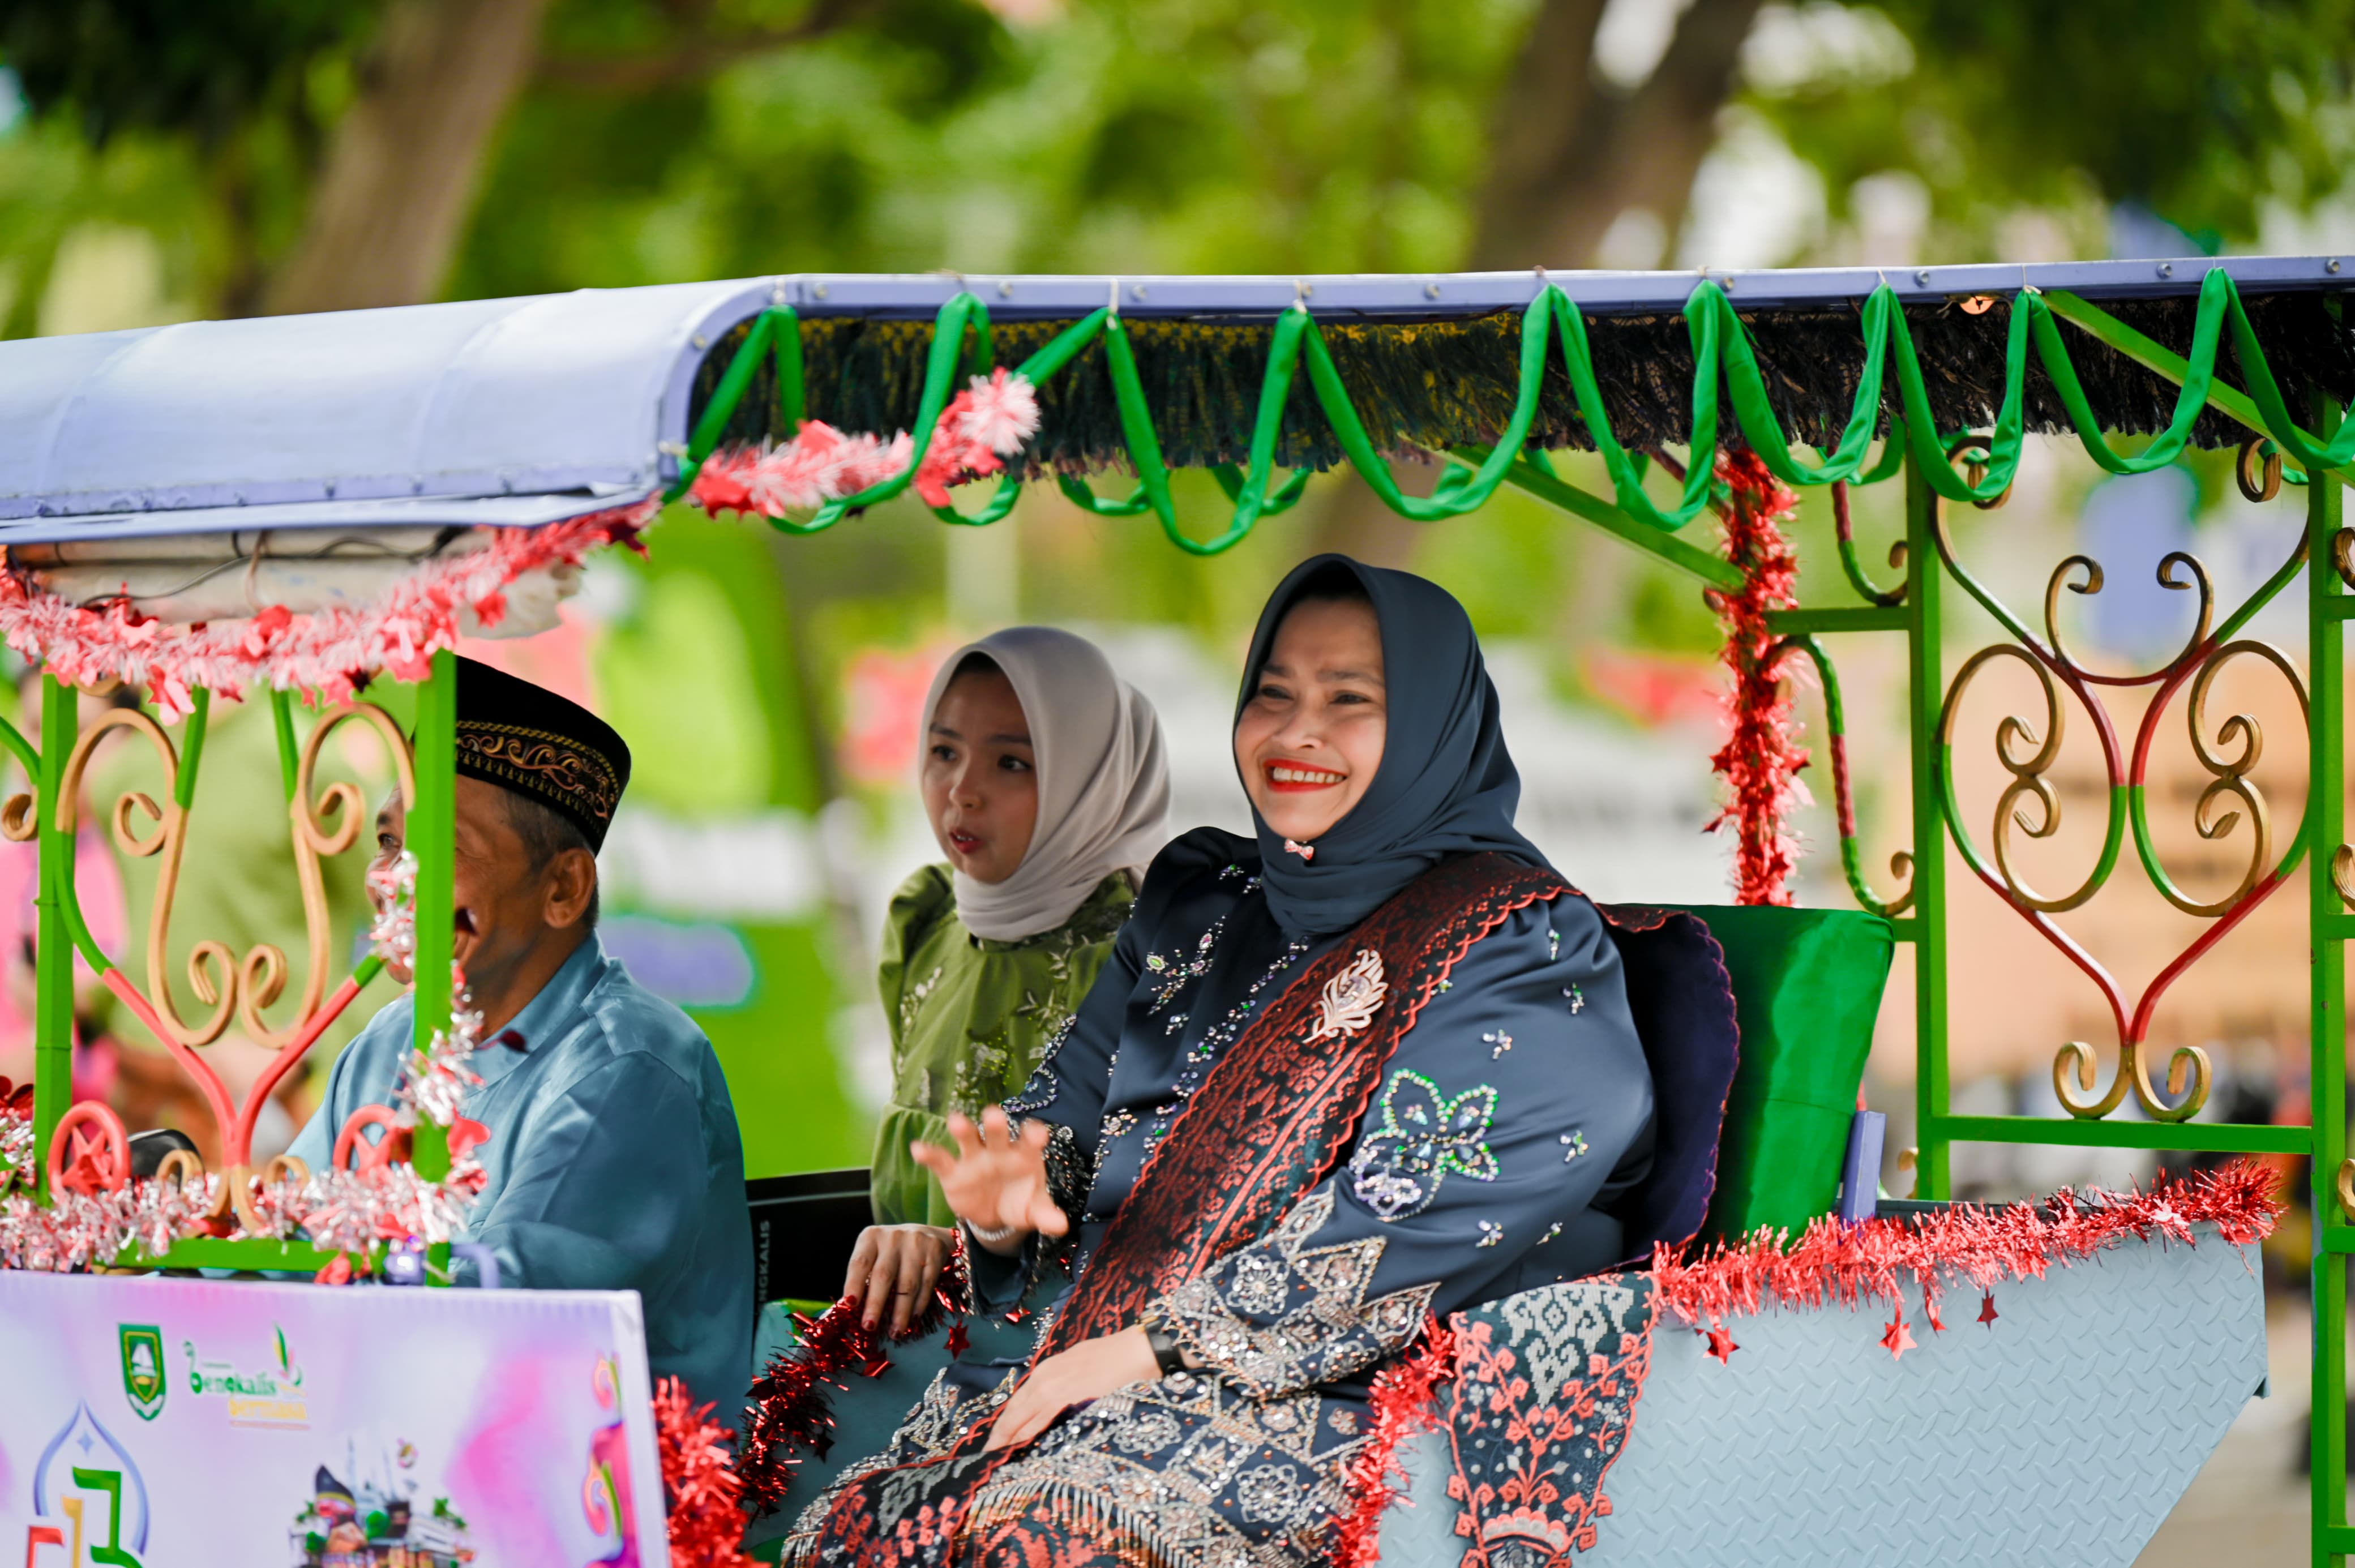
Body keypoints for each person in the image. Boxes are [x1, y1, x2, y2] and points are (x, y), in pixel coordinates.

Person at [782, 556, 1660, 1568]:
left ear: (1428, 724)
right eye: (1274, 694)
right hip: (1104, 1353)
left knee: (1054, 1535)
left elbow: (1415, 1215)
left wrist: (1143, 1353)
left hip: (1355, 1385)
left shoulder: (1517, 944)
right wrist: (1010, 1194)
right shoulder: (1204, 900)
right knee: (858, 1534)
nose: (1296, 734)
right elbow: (1065, 1114)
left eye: (1348, 701)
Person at [286, 658, 752, 1408]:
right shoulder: (388, 1040)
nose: (394, 879)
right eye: (385, 842)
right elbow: (284, 1234)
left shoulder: (631, 1066)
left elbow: (497, 1305)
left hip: (602, 1501)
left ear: (563, 889)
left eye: (442, 850)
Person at [846, 627, 1168, 1335]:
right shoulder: (927, 923)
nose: (962, 791)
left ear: (1090, 776)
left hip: (1056, 1362)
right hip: (895, 1351)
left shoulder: (1144, 956)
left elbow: (1148, 1222)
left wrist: (965, 1249)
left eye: (1013, 763)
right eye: (943, 751)